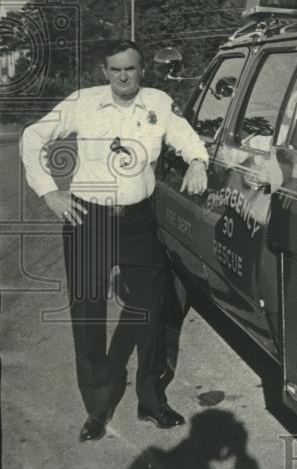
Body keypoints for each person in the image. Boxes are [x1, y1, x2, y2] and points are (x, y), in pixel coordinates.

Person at [19, 39, 209, 442]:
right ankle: (98, 407)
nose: (124, 77)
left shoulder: (158, 101)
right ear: (104, 72)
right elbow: (32, 137)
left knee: (151, 311)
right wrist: (50, 191)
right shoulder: (82, 103)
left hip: (139, 221)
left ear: (143, 70)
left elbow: (187, 137)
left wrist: (197, 161)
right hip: (89, 218)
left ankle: (151, 399)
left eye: (132, 69)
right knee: (88, 315)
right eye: (116, 70)